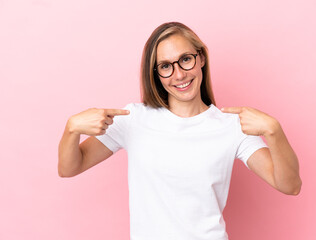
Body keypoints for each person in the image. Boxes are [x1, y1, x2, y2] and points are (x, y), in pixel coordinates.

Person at [58, 22, 302, 240]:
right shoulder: (133, 120)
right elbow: (69, 168)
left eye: (185, 59)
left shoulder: (231, 127)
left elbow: (290, 185)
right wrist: (71, 129)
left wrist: (274, 131)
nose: (179, 74)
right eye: (165, 66)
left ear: (201, 58)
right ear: (156, 74)